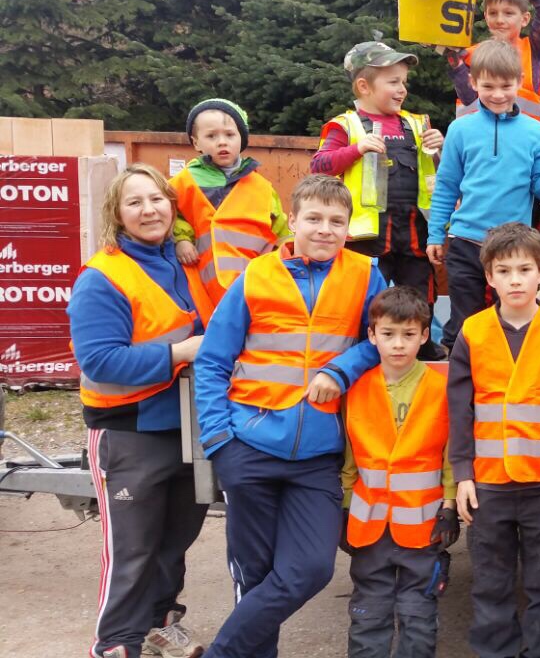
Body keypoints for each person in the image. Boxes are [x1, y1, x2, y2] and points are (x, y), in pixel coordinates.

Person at [194, 175, 388, 658]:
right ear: (294, 220)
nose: (325, 229)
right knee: (255, 575)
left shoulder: (366, 274)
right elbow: (213, 360)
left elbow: (382, 338)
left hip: (318, 455)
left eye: (336, 221)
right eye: (314, 219)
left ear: (349, 228)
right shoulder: (255, 276)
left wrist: (342, 370)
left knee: (310, 569)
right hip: (249, 446)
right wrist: (220, 441)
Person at [70, 163, 213, 658]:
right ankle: (116, 643)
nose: (149, 210)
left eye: (156, 199)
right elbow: (99, 360)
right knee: (132, 550)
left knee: (174, 542)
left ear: (172, 207)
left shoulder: (185, 262)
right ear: (117, 213)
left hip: (187, 426)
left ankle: (158, 626)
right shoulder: (102, 277)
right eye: (135, 202)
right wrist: (179, 354)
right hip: (128, 430)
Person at [448, 223, 540, 658]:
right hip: (488, 486)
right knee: (490, 585)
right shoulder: (472, 332)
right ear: (488, 276)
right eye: (503, 270)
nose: (514, 279)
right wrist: (463, 476)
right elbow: (460, 411)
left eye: (524, 269)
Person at [427, 39, 540, 350]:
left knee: (511, 321)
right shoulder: (460, 130)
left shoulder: (535, 132)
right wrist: (435, 235)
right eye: (488, 86)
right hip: (465, 240)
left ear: (519, 83)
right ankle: (461, 383)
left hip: (513, 246)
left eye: (505, 85)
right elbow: (446, 186)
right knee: (466, 323)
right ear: (473, 82)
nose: (497, 94)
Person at [341, 286, 460, 658]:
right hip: (369, 527)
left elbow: (450, 455)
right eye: (388, 334)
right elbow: (349, 459)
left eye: (409, 335)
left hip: (424, 528)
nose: (398, 345)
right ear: (372, 335)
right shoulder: (356, 388)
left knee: (418, 614)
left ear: (424, 336)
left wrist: (451, 506)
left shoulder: (441, 388)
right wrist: (343, 509)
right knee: (368, 614)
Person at [312, 41, 447, 360]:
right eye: (393, 82)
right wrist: (356, 149)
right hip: (367, 239)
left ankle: (423, 352)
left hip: (414, 234)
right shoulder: (345, 125)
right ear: (364, 86)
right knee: (364, 299)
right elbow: (319, 165)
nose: (402, 89)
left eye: (403, 82)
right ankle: (361, 353)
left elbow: (440, 173)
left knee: (420, 296)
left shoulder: (417, 123)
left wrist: (439, 147)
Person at [173, 98, 290, 305]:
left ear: (242, 139)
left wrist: (289, 258)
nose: (222, 142)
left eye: (229, 135)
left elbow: (279, 229)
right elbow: (172, 215)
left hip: (253, 286)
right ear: (196, 142)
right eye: (211, 136)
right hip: (200, 286)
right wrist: (182, 239)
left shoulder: (262, 187)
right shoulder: (183, 182)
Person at [444, 0, 540, 122]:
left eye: (509, 13)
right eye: (493, 13)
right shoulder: (470, 55)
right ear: (486, 16)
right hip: (481, 144)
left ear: (525, 19)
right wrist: (452, 59)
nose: (500, 20)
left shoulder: (531, 49)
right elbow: (469, 100)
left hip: (523, 144)